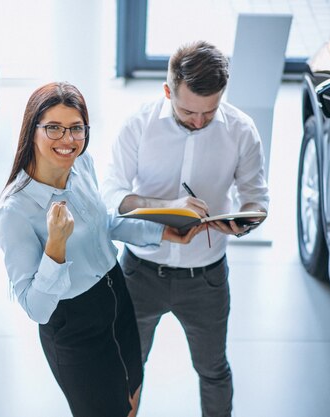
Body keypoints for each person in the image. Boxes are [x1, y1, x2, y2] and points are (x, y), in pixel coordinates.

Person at [0, 81, 202, 417]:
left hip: (116, 296)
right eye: (54, 129)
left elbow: (104, 224)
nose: (68, 140)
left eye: (76, 128)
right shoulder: (14, 211)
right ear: (31, 130)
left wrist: (162, 231)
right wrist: (56, 245)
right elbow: (37, 309)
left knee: (132, 392)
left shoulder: (83, 165)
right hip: (73, 324)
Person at [102, 41, 270, 417]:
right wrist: (166, 207)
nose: (199, 121)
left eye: (209, 112)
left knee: (213, 371)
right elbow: (111, 194)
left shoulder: (242, 131)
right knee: (126, 369)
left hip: (206, 280)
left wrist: (243, 219)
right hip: (139, 273)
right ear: (168, 91)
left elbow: (256, 198)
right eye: (188, 111)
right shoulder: (138, 125)